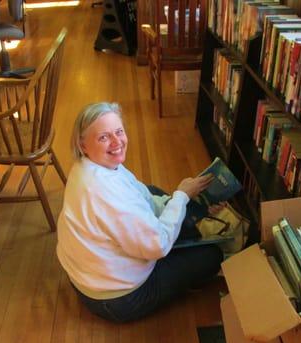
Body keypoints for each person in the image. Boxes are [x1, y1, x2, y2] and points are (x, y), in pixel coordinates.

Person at [56, 102, 223, 323]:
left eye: (119, 132)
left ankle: (193, 220)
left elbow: (141, 197)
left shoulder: (89, 165)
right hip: (118, 300)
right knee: (212, 256)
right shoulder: (106, 194)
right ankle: (194, 229)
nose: (117, 142)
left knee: (152, 192)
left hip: (89, 278)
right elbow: (158, 245)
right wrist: (181, 196)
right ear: (83, 144)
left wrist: (180, 201)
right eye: (104, 137)